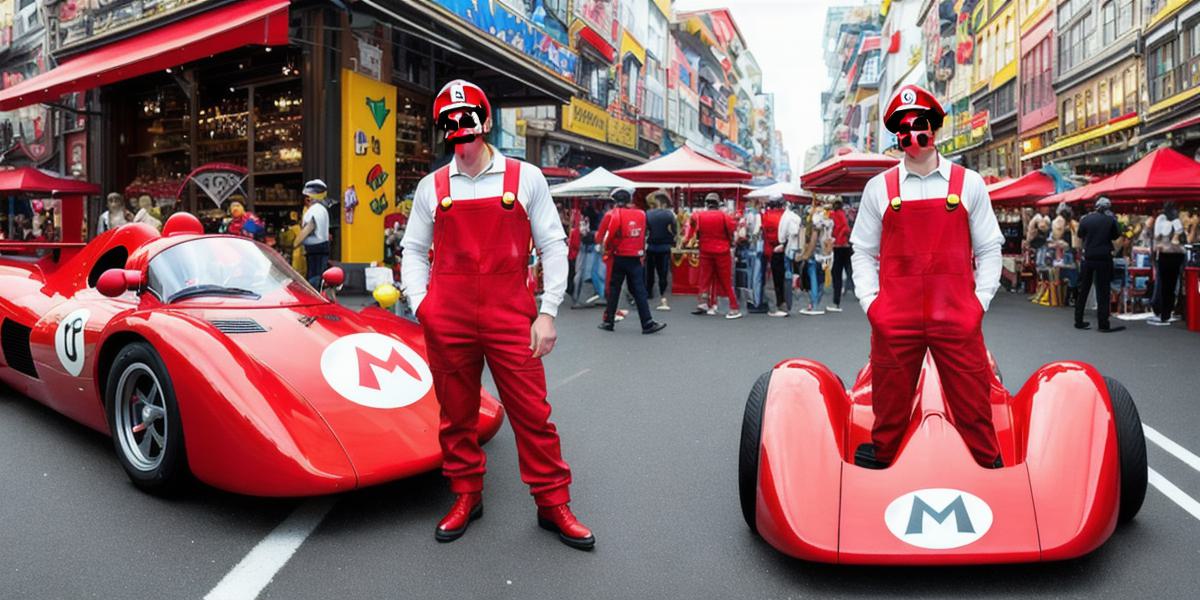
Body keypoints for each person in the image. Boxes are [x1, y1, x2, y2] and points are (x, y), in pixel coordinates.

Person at [400, 80, 592, 549]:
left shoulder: (525, 178)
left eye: (466, 119)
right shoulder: (432, 187)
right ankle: (466, 494)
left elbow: (552, 243)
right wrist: (424, 305)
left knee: (533, 413)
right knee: (456, 414)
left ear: (485, 122)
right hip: (450, 315)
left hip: (511, 315)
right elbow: (412, 250)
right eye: (450, 122)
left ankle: (553, 504)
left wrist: (548, 313)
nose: (459, 130)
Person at [850, 84, 1004, 470]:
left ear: (934, 128)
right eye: (902, 126)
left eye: (919, 124)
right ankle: (884, 468)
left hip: (956, 315)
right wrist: (873, 305)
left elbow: (990, 249)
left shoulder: (968, 184)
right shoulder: (878, 189)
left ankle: (988, 469)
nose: (910, 133)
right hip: (895, 319)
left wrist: (977, 304)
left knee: (973, 402)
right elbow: (862, 252)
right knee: (888, 406)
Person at [596, 188, 666, 334]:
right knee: (639, 290)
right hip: (636, 256)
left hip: (618, 255)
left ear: (615, 201)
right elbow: (645, 233)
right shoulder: (641, 214)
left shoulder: (612, 214)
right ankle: (647, 323)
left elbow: (602, 236)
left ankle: (608, 320)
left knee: (614, 289)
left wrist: (607, 249)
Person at [684, 192, 742, 319]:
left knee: (704, 279)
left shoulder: (698, 216)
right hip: (722, 251)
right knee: (726, 280)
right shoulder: (724, 216)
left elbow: (691, 229)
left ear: (707, 204)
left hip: (705, 250)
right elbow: (732, 230)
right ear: (718, 204)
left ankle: (703, 303)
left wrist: (686, 240)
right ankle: (733, 307)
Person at [1075, 197, 1125, 332]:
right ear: (1108, 208)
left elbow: (1080, 235)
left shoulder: (1085, 219)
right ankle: (1103, 323)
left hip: (1088, 257)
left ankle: (1078, 320)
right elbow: (1115, 236)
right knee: (1102, 291)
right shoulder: (1111, 220)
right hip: (1104, 258)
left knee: (1083, 289)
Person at [1150, 202, 1186, 326]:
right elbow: (1182, 238)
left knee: (1165, 285)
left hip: (1165, 255)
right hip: (1177, 256)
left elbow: (1157, 238)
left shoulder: (1161, 221)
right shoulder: (1176, 222)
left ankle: (1163, 312)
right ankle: (1167, 311)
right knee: (1171, 285)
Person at [644, 193, 677, 310]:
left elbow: (645, 231)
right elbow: (675, 230)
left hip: (651, 246)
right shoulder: (669, 214)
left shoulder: (647, 214)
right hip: (665, 247)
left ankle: (649, 292)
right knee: (663, 272)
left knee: (650, 271)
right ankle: (662, 292)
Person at [298, 179, 331, 287]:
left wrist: (297, 242)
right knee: (319, 273)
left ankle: (314, 293)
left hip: (315, 246)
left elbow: (310, 228)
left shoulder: (314, 210)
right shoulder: (322, 209)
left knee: (314, 274)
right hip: (322, 245)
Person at [760, 194, 789, 317]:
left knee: (776, 279)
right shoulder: (786, 215)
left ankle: (779, 304)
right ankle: (785, 302)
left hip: (773, 250)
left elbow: (767, 234)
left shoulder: (767, 216)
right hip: (787, 248)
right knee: (784, 276)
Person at [797, 205, 827, 315]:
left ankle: (814, 304)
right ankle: (816, 302)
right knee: (820, 280)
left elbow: (813, 243)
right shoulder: (825, 226)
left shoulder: (815, 228)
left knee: (813, 279)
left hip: (814, 256)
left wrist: (805, 255)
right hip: (823, 256)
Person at [777, 198, 804, 312]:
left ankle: (789, 298)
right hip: (798, 248)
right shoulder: (797, 218)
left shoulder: (786, 217)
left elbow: (783, 234)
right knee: (797, 269)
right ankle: (796, 286)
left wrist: (782, 241)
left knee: (788, 271)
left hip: (789, 248)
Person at [828, 199, 852, 312]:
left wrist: (838, 240)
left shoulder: (836, 215)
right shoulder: (842, 214)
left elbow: (845, 228)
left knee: (836, 273)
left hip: (840, 247)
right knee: (848, 270)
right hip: (844, 246)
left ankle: (836, 301)